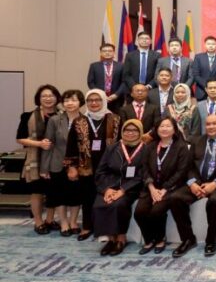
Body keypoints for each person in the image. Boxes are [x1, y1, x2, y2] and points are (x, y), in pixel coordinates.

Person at [169, 114, 216, 258]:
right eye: (208, 124)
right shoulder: (196, 141)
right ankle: (188, 239)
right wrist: (192, 183)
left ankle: (211, 239)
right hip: (197, 182)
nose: (211, 127)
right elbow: (188, 165)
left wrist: (215, 183)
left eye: (214, 123)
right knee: (175, 198)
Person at [134, 117, 190, 255]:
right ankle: (149, 240)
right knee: (139, 212)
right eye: (161, 126)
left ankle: (160, 239)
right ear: (156, 129)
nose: (164, 129)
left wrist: (164, 189)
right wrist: (152, 188)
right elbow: (144, 168)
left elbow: (181, 172)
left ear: (174, 129)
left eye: (168, 126)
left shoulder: (181, 147)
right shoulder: (150, 146)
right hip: (151, 187)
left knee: (156, 211)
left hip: (171, 187)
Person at [93, 119, 146, 256]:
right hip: (111, 185)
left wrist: (123, 190)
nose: (130, 133)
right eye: (127, 130)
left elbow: (142, 175)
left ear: (140, 132)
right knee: (100, 204)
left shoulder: (145, 149)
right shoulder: (112, 148)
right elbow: (100, 171)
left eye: (134, 130)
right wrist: (107, 189)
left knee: (119, 204)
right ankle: (111, 239)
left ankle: (121, 238)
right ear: (122, 131)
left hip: (132, 187)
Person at [40, 90, 90, 237]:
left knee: (75, 194)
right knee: (59, 195)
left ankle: (73, 222)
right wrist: (44, 167)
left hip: (78, 165)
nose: (69, 103)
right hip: (57, 163)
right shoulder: (55, 120)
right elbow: (48, 144)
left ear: (80, 102)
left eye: (73, 100)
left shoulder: (86, 120)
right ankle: (63, 223)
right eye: (66, 100)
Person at [16, 84, 61, 234]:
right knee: (37, 192)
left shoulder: (63, 116)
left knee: (53, 191)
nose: (48, 98)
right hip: (34, 159)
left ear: (56, 98)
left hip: (55, 159)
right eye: (44, 96)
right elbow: (20, 138)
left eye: (51, 95)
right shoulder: (27, 116)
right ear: (38, 99)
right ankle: (38, 222)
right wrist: (39, 144)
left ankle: (50, 219)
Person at [79, 89, 120, 241]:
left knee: (106, 196)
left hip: (109, 166)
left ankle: (104, 228)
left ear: (104, 101)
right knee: (87, 196)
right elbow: (71, 144)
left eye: (98, 100)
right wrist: (71, 166)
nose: (94, 103)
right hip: (86, 165)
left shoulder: (115, 119)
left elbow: (121, 142)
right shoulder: (80, 120)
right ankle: (87, 226)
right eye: (90, 100)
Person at [87, 43, 126, 112]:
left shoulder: (121, 66)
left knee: (116, 117)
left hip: (116, 99)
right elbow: (91, 82)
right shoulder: (94, 66)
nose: (107, 53)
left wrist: (116, 94)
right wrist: (100, 94)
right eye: (104, 51)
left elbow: (124, 82)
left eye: (110, 51)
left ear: (114, 53)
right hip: (99, 99)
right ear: (101, 53)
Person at [192, 35, 216, 100]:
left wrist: (214, 86)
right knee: (201, 106)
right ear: (205, 45)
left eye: (213, 44)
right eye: (208, 44)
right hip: (201, 91)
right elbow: (195, 75)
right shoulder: (198, 57)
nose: (211, 46)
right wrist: (207, 85)